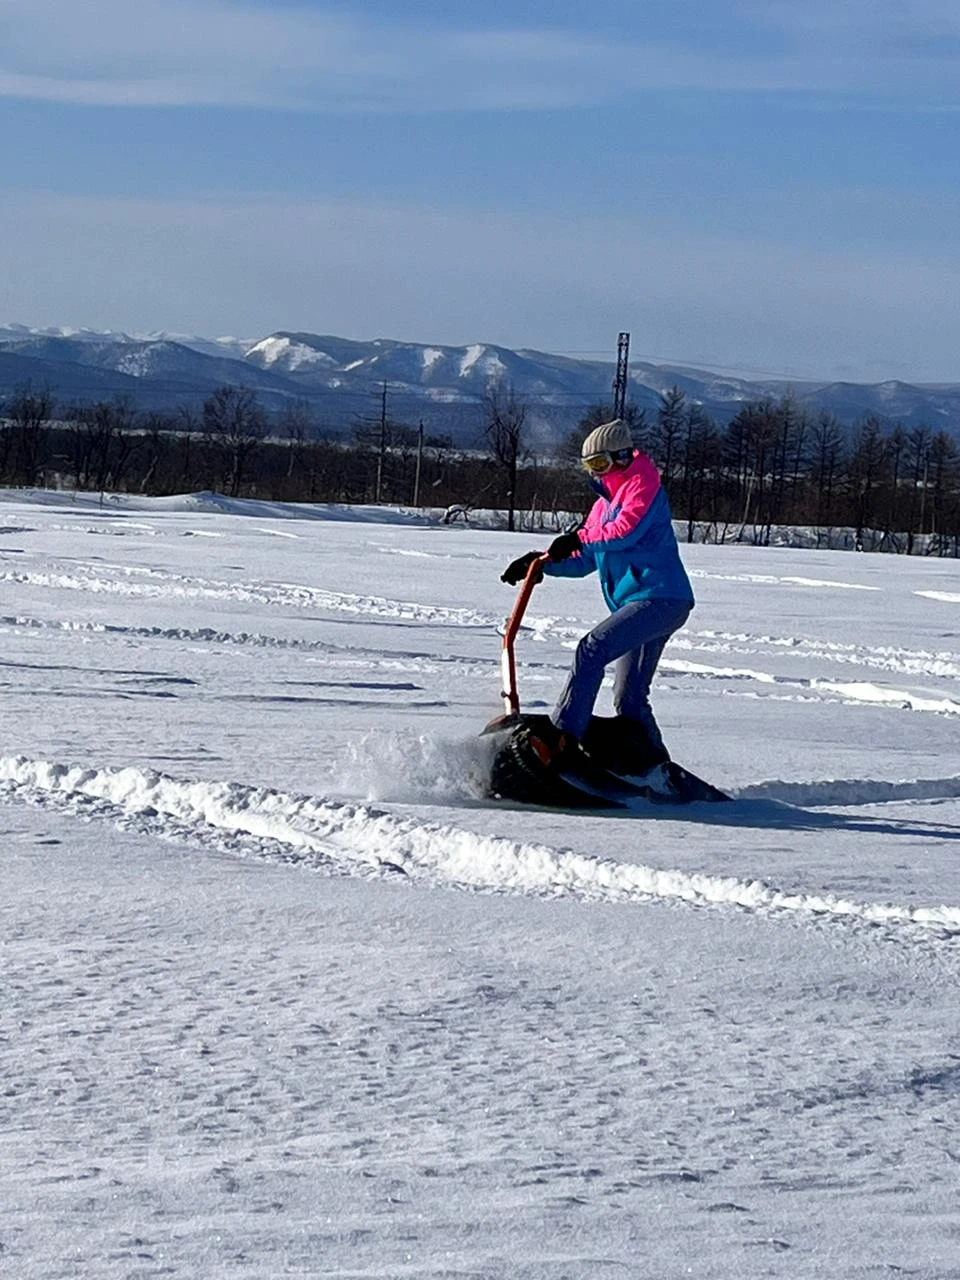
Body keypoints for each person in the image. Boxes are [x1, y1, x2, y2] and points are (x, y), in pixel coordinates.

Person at [500, 418, 694, 773]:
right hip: (642, 601)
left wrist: (579, 538)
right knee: (630, 698)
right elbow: (587, 556)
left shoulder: (642, 484)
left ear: (621, 457)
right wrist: (541, 564)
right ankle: (656, 767)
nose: (597, 473)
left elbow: (624, 533)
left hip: (661, 597)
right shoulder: (605, 502)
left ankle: (562, 741)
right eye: (590, 466)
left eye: (601, 464)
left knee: (591, 650)